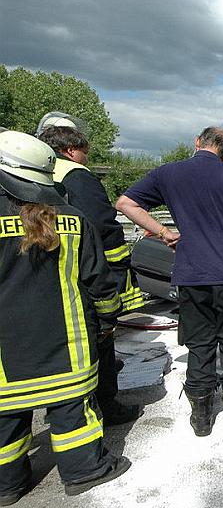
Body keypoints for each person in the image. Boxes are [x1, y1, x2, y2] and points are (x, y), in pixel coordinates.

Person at [0, 131, 131, 504]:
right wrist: (107, 323)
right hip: (67, 342)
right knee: (74, 411)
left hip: (5, 352)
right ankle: (85, 471)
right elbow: (100, 283)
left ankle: (7, 486)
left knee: (6, 417)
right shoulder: (74, 221)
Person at [116, 126, 223, 440]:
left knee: (199, 344)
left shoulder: (168, 173)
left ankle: (201, 418)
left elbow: (125, 203)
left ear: (197, 143)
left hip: (191, 273)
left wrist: (164, 232)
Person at [38, 124, 142, 426]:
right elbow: (101, 227)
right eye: (85, 152)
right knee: (100, 336)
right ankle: (106, 406)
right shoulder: (77, 177)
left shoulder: (35, 177)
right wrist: (116, 275)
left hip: (47, 274)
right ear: (72, 150)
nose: (86, 158)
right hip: (84, 274)